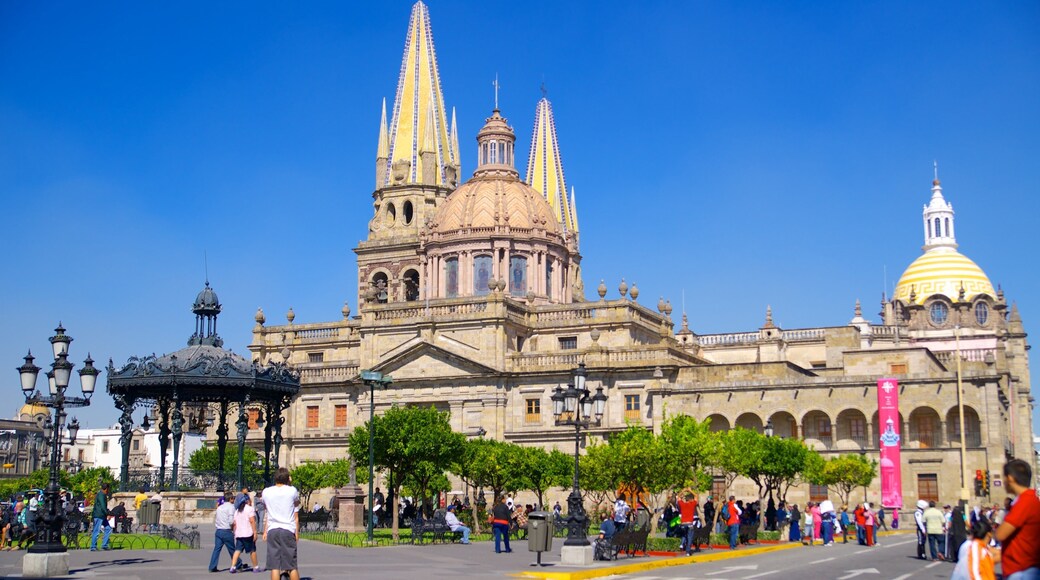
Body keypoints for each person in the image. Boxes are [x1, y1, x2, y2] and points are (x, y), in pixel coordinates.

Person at [995, 458, 1040, 579]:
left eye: (1003, 477)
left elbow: (1000, 534)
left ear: (1010, 478)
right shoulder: (1032, 499)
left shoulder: (1024, 502)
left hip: (1021, 570)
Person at [263, 467, 302, 580]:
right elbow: (296, 503)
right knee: (291, 565)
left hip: (273, 529)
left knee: (275, 566)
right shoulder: (291, 490)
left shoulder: (267, 491)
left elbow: (267, 510)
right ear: (287, 478)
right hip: (287, 529)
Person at [230, 494, 260, 574]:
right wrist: (255, 532)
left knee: (237, 550)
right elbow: (252, 521)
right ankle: (255, 567)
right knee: (252, 550)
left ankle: (233, 566)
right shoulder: (249, 509)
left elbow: (234, 523)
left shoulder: (237, 511)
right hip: (248, 533)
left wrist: (234, 532)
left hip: (239, 533)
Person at [209, 490, 237, 572]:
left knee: (217, 549)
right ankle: (238, 563)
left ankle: (212, 566)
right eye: (233, 498)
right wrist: (233, 528)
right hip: (226, 530)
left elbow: (217, 519)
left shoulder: (219, 507)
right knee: (232, 549)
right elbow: (231, 521)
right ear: (231, 499)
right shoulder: (231, 507)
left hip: (219, 530)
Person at [89, 482, 112, 551]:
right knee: (96, 530)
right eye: (108, 489)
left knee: (108, 529)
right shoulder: (101, 495)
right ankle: (93, 546)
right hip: (99, 515)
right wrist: (107, 513)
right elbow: (102, 505)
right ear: (106, 489)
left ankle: (104, 545)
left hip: (102, 515)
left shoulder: (101, 494)